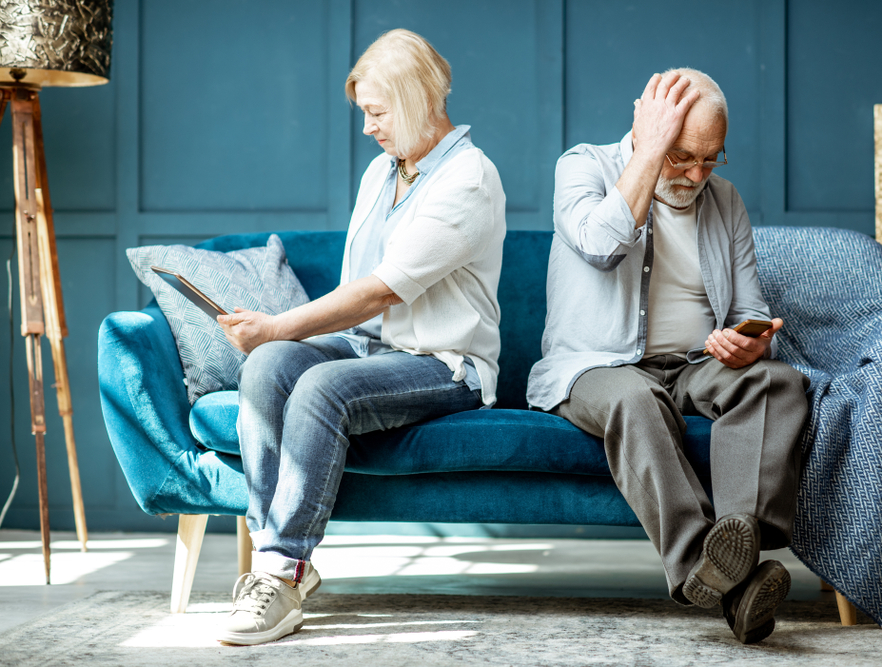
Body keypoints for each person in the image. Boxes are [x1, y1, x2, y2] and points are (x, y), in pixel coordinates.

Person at [214, 29, 506, 646]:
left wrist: (276, 323)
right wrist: (271, 340)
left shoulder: (469, 179)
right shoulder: (381, 172)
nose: (369, 127)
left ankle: (281, 572)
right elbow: (358, 297)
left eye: (377, 112)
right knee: (267, 366)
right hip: (367, 349)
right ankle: (279, 562)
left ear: (418, 99)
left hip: (441, 363)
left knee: (320, 388)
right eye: (365, 114)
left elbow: (380, 289)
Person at [527, 69, 809, 644]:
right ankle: (706, 570)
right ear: (647, 125)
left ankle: (736, 541)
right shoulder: (581, 167)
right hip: (595, 367)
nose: (696, 175)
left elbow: (750, 308)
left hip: (694, 365)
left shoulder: (723, 199)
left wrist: (748, 342)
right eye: (682, 156)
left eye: (711, 159)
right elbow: (602, 246)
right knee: (637, 397)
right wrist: (649, 152)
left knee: (779, 383)